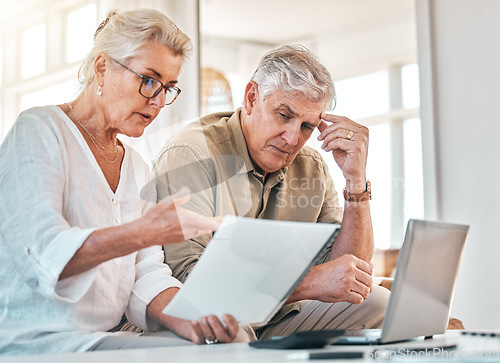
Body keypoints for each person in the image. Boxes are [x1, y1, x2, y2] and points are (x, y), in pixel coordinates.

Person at [0, 9, 244, 356]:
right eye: (148, 80)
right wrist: (144, 231)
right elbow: (45, 253)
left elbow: (146, 274)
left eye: (168, 88)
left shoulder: (136, 167)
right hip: (36, 342)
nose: (158, 101)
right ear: (102, 68)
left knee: (232, 345)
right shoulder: (38, 130)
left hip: (100, 341)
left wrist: (195, 318)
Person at [154, 45, 390, 341]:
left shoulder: (311, 167)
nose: (293, 139)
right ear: (251, 98)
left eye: (306, 126)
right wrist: (305, 283)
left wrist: (356, 181)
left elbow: (350, 275)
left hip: (279, 314)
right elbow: (188, 286)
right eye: (283, 115)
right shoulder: (192, 154)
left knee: (379, 303)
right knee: (235, 333)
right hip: (207, 319)